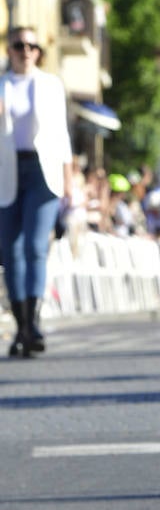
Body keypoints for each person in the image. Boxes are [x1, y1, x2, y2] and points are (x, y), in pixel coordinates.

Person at [0, 25, 73, 356]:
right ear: (9, 50)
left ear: (39, 51)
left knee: (34, 247)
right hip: (6, 172)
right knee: (10, 252)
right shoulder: (1, 85)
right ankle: (20, 325)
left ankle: (33, 324)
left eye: (32, 45)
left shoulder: (50, 85)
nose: (26, 50)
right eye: (19, 45)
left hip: (43, 172)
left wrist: (69, 181)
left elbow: (61, 134)